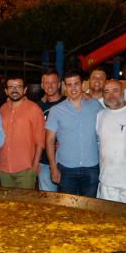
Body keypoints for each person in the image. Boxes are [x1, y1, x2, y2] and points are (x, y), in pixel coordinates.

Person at [45, 69, 103, 197]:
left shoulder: (96, 106)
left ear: (83, 85)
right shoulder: (56, 111)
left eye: (76, 84)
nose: (73, 88)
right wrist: (53, 167)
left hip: (91, 167)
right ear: (64, 87)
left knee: (89, 208)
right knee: (68, 210)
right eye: (69, 85)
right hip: (66, 168)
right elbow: (49, 141)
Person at [0, 76, 45, 189]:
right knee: (7, 205)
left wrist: (34, 168)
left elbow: (40, 142)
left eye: (18, 87)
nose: (14, 90)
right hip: (4, 169)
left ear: (24, 90)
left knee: (25, 206)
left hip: (25, 170)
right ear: (6, 91)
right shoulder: (2, 109)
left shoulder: (34, 109)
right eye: (11, 87)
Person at [95, 79, 126, 204]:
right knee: (108, 220)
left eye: (115, 91)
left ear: (123, 93)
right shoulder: (100, 115)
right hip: (106, 180)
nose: (111, 95)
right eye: (106, 92)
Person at [37, 68, 64, 192]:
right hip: (44, 162)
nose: (50, 85)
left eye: (53, 82)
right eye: (46, 82)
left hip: (66, 162)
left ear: (59, 84)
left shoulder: (68, 103)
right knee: (48, 202)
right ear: (42, 85)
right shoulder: (37, 107)